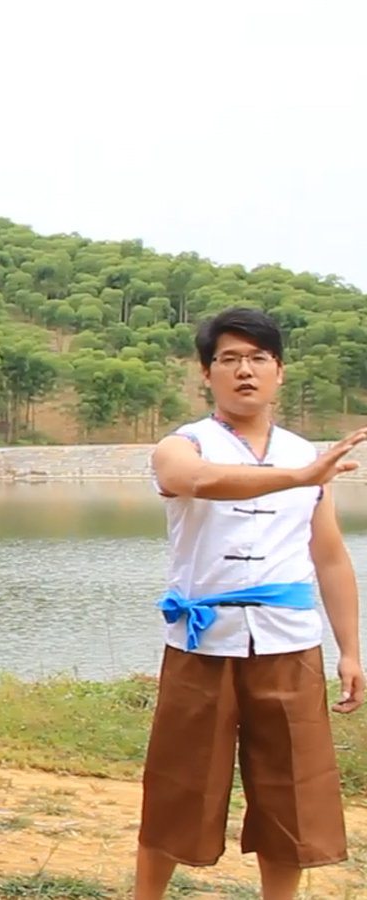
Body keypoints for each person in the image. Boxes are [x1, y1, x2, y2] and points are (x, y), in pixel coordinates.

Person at [135, 306, 364, 900]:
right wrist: (300, 477)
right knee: (178, 788)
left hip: (289, 643)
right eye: (229, 359)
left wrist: (350, 650)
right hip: (202, 645)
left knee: (292, 793)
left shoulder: (304, 453)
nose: (245, 370)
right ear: (206, 373)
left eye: (259, 358)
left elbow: (330, 558)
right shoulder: (182, 445)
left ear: (279, 371)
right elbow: (199, 481)